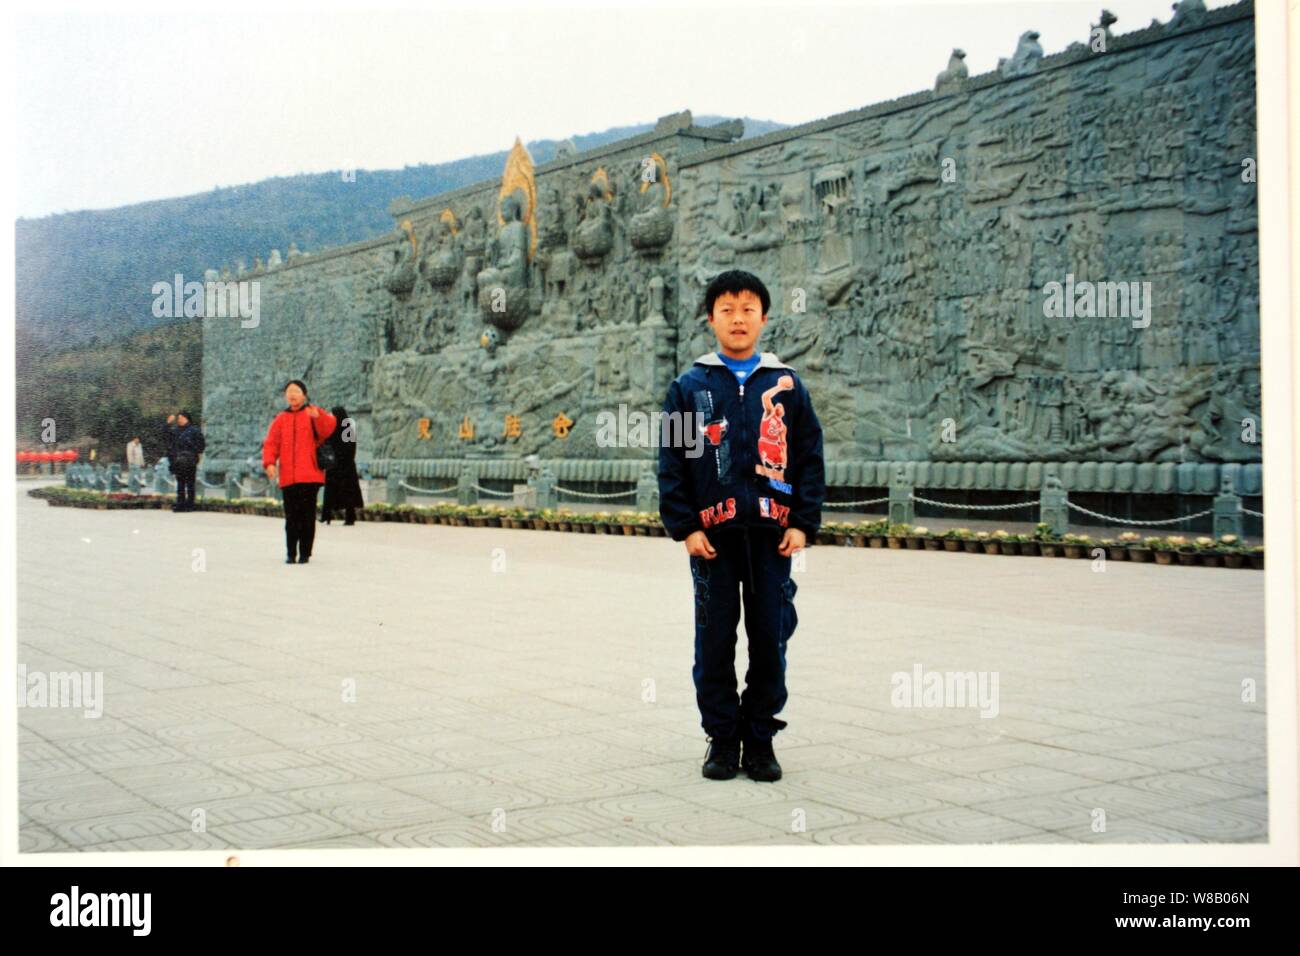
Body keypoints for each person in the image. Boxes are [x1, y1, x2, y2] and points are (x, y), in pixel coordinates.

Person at [658, 270, 825, 783]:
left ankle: (759, 739)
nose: (737, 318)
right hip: (712, 540)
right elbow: (674, 462)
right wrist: (685, 526)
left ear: (763, 318)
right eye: (726, 309)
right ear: (711, 319)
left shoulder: (787, 385)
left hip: (774, 539)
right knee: (713, 641)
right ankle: (722, 739)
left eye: (747, 308)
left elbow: (809, 458)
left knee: (771, 637)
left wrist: (803, 523)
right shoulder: (690, 387)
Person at [262, 380, 337, 564]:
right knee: (291, 517)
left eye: (296, 391)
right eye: (289, 391)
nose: (292, 395)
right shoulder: (281, 419)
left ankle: (304, 552)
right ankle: (290, 553)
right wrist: (270, 463)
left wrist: (317, 416)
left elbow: (329, 428)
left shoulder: (312, 412)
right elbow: (271, 443)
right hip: (288, 476)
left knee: (307, 516)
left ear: (304, 394)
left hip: (310, 475)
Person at [321, 405, 364, 525]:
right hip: (341, 465)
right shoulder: (336, 425)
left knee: (341, 491)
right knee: (339, 491)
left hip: (343, 465)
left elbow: (349, 445)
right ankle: (328, 515)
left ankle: (344, 517)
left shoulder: (347, 425)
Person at [171, 411, 206, 512]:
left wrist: (197, 455)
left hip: (190, 458)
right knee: (180, 483)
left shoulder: (194, 430)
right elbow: (171, 443)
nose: (178, 419)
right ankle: (180, 504)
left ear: (185, 418)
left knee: (190, 483)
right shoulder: (176, 430)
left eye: (180, 417)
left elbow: (201, 445)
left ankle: (190, 504)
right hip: (179, 459)